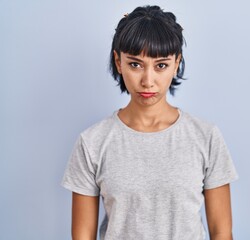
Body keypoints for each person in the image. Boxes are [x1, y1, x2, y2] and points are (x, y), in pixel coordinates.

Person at [61, 5, 239, 240]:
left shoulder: (206, 137)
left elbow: (222, 232)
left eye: (161, 65)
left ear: (176, 63)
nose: (148, 81)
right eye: (135, 64)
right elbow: (82, 236)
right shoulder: (92, 142)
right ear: (118, 62)